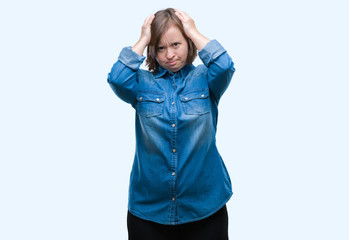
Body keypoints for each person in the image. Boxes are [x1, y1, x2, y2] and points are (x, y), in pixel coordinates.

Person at [107, 8, 235, 240]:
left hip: (205, 207)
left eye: (176, 44)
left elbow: (224, 65)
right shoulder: (141, 83)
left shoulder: (207, 79)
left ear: (188, 43)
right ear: (152, 51)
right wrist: (144, 38)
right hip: (149, 211)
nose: (169, 55)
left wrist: (192, 31)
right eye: (161, 48)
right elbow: (117, 78)